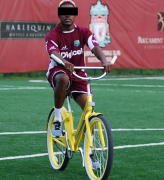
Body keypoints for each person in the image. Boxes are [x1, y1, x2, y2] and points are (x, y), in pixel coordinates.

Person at [45, 0, 113, 138]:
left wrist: (104, 61)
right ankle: (58, 120)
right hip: (58, 72)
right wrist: (64, 62)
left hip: (78, 74)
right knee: (63, 78)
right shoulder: (52, 35)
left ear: (75, 15)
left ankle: (91, 153)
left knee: (89, 111)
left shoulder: (83, 32)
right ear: (59, 15)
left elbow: (95, 47)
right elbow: (53, 53)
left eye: (71, 12)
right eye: (64, 13)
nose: (67, 15)